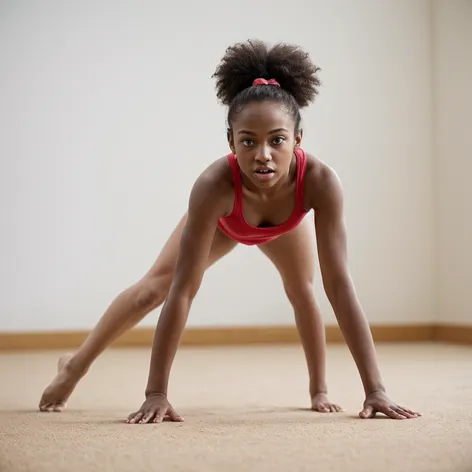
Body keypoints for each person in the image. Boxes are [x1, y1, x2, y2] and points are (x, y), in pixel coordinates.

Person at [39, 39, 421, 423]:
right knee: (154, 289)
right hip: (227, 220)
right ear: (230, 142)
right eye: (248, 141)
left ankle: (318, 388)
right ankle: (75, 364)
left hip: (284, 226)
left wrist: (375, 390)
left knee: (304, 292)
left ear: (297, 140)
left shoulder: (321, 182)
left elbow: (339, 287)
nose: (263, 155)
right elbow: (184, 290)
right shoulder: (213, 186)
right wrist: (156, 393)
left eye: (277, 140)